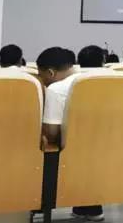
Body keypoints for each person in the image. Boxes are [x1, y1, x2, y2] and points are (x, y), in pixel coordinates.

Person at [37, 47, 103, 221]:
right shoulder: (102, 80)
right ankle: (90, 207)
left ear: (50, 73)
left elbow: (52, 133)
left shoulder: (57, 89)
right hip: (109, 149)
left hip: (73, 154)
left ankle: (40, 204)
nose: (42, 81)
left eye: (42, 76)